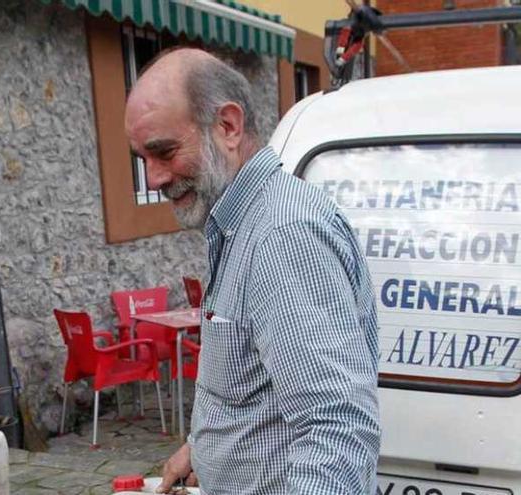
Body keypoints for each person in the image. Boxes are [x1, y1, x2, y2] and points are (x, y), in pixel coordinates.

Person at [123, 48, 381, 494]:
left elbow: (337, 431)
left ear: (228, 126)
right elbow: (255, 392)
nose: (153, 178)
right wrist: (202, 448)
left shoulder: (281, 236)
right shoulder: (241, 224)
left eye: (163, 152)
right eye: (141, 158)